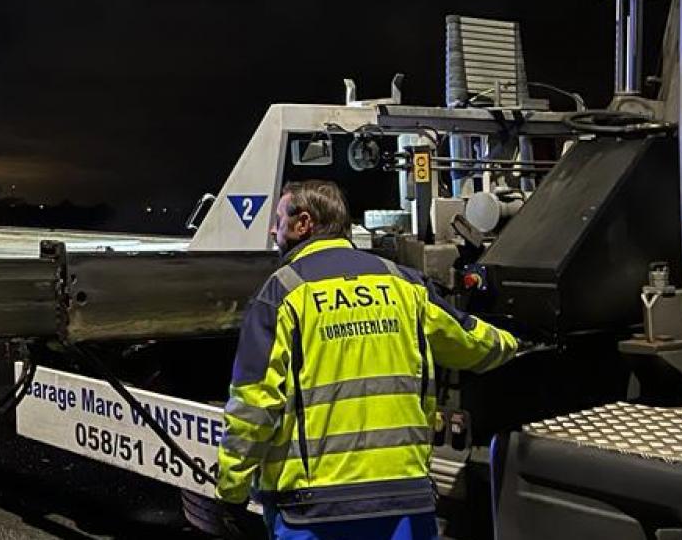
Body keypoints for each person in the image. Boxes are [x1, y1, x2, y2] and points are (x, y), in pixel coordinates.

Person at [213, 180, 517, 539]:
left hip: (313, 510)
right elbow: (474, 344)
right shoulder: (404, 284)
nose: (273, 229)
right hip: (405, 501)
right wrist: (515, 340)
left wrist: (230, 491)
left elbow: (253, 405)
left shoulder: (282, 294)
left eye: (278, 219)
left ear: (303, 223)